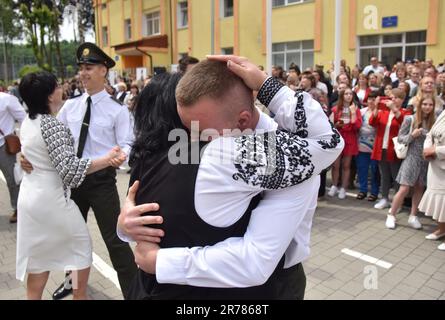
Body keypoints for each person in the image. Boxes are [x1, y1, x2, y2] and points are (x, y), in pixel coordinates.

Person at [118, 57, 343, 299]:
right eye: (188, 129)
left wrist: (161, 262)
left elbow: (255, 261)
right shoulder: (213, 145)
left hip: (276, 283)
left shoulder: (270, 154)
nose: (192, 142)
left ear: (243, 120)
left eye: (202, 131)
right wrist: (125, 225)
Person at [20, 43, 137, 299]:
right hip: (71, 182)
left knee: (116, 240)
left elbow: (127, 142)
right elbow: (48, 141)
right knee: (68, 241)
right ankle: (72, 284)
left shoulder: (117, 110)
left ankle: (133, 293)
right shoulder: (70, 107)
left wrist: (121, 156)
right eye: (81, 68)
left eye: (89, 68)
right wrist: (24, 156)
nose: (83, 74)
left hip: (102, 181)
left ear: (104, 70)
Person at [387, 97, 436, 229]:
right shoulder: (410, 119)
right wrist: (413, 135)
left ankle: (413, 216)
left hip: (426, 161)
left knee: (420, 187)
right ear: (419, 105)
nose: (427, 107)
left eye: (430, 104)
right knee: (404, 188)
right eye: (425, 104)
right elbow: (401, 138)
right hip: (411, 158)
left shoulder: (434, 122)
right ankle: (391, 214)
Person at [419, 108, 445, 251]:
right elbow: (430, 134)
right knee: (439, 201)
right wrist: (427, 149)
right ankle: (441, 229)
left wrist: (435, 151)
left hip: (441, 161)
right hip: (435, 165)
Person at [0, 90, 25, 223]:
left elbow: (23, 118)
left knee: (11, 179)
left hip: (4, 145)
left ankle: (18, 208)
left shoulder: (7, 99)